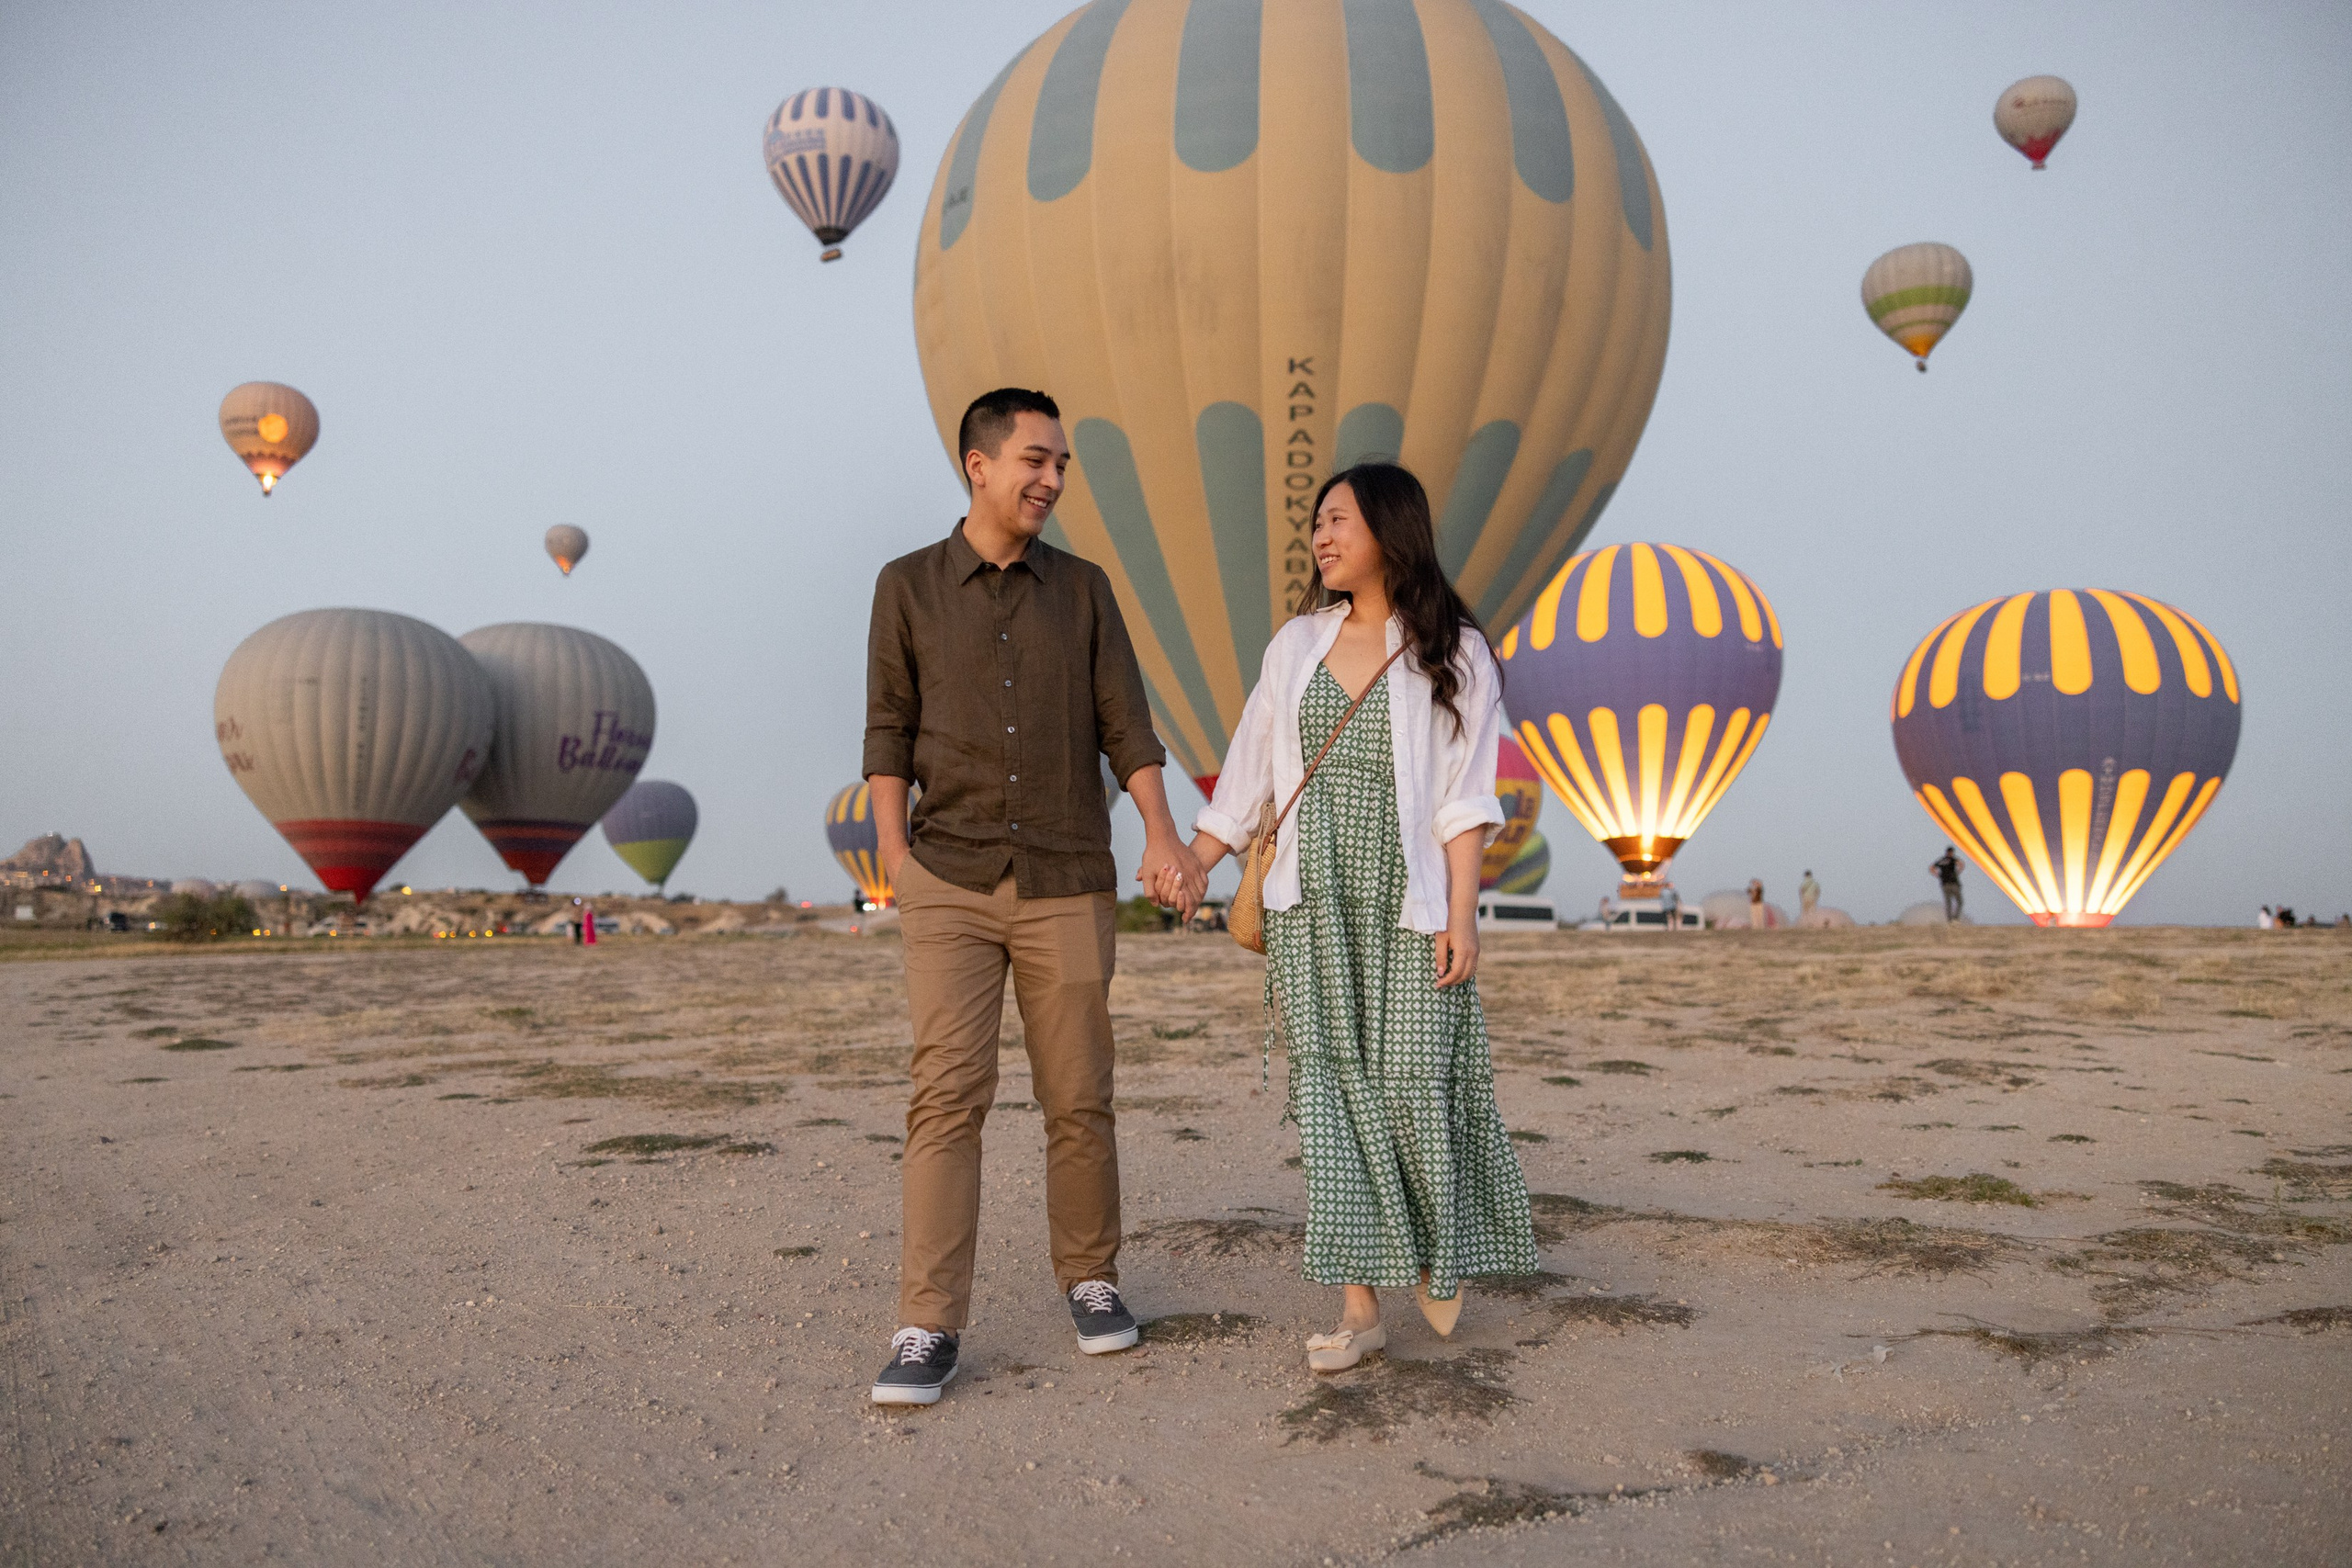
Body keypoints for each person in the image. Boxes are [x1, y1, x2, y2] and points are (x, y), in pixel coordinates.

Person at [862, 387, 1205, 1406]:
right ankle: (927, 1325)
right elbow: (887, 727)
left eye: (1062, 464)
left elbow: (1126, 724)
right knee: (945, 1101)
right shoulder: (907, 586)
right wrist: (895, 857)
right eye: (1036, 460)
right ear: (978, 465)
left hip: (1066, 875)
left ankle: (1092, 1280)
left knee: (1079, 1098)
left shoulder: (1085, 589)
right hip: (949, 877)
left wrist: (1161, 830)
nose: (1053, 479)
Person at [1164, 462, 1536, 1372]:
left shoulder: (1455, 652)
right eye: (1317, 524)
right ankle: (1358, 1305)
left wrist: (1464, 916)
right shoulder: (1295, 645)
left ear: (1389, 531)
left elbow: (1463, 799)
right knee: (1330, 1092)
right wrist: (1195, 862)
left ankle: (1436, 1257)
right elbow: (1251, 771)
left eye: (1338, 521)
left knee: (1413, 1076)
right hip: (1310, 901)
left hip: (1406, 901)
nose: (1320, 538)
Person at [1932, 847, 1963, 922]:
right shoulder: (1953, 860)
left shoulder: (1941, 860)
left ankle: (1950, 920)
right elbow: (1961, 864)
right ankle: (1954, 918)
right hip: (1952, 883)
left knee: (1949, 902)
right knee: (1958, 901)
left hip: (1945, 884)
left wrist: (1938, 875)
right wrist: (1957, 872)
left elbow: (1932, 867)